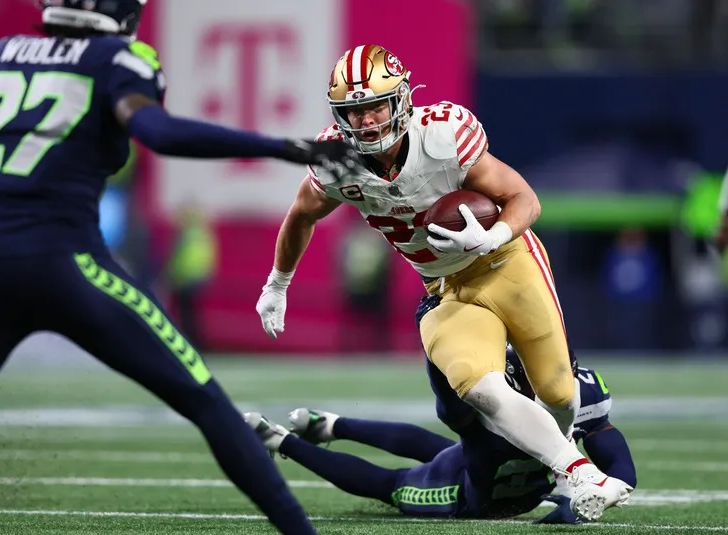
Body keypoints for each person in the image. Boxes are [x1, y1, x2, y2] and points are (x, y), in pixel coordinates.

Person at [0, 2, 367, 534]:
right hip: (65, 264)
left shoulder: (3, 55)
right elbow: (159, 132)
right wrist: (283, 147)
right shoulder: (116, 58)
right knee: (206, 402)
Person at [254, 44, 632, 520]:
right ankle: (581, 474)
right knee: (479, 387)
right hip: (443, 285)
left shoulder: (444, 134)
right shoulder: (335, 160)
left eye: (375, 105)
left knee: (558, 393)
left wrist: (491, 235)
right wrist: (277, 283)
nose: (367, 121)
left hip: (506, 260)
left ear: (402, 100)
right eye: (355, 110)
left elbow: (524, 199)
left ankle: (562, 468)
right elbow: (301, 215)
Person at [245, 344, 636, 523]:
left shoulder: (585, 393)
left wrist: (593, 498)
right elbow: (449, 405)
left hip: (500, 477)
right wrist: (436, 348)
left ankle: (329, 425)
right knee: (395, 483)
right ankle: (281, 440)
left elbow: (620, 468)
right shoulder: (492, 398)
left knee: (449, 449)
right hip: (467, 495)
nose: (554, 384)